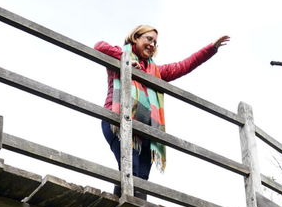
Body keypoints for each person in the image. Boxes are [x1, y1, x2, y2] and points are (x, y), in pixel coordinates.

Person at [95, 26, 229, 197]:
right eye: (148, 39)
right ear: (135, 38)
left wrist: (211, 48)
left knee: (141, 179)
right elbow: (99, 46)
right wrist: (125, 60)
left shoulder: (155, 72)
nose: (152, 44)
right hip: (118, 122)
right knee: (130, 169)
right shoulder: (120, 56)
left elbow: (183, 66)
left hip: (145, 131)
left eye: (155, 42)